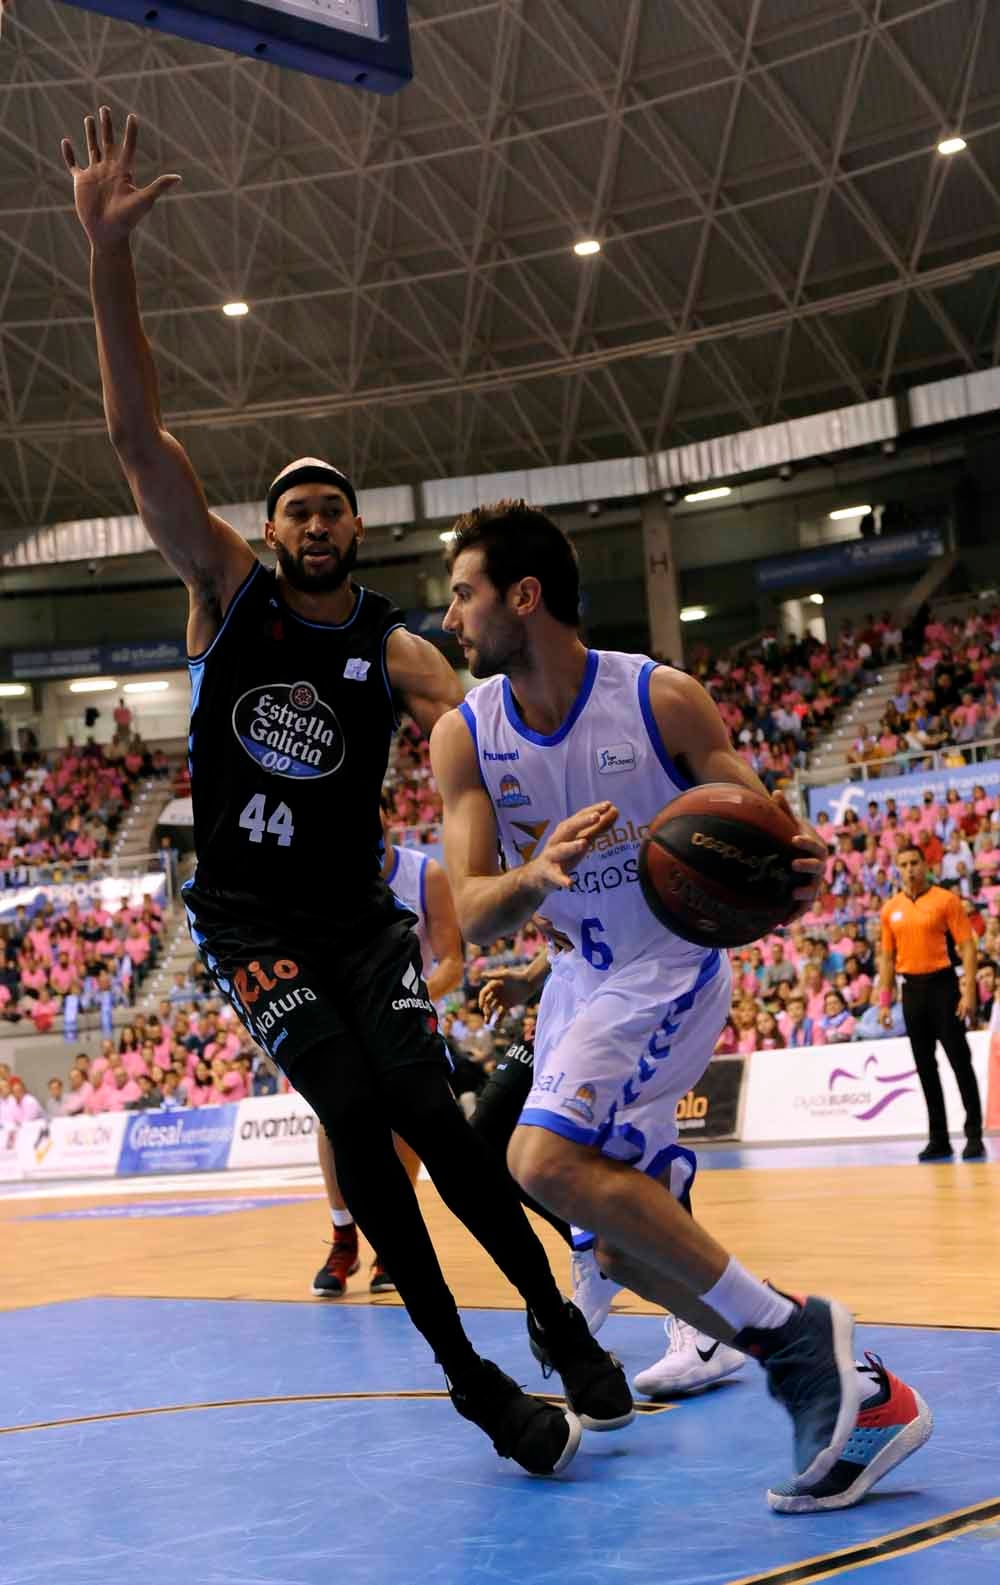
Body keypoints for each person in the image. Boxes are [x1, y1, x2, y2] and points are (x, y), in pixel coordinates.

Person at [64, 105, 631, 1479]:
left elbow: (485, 723)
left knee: (437, 1125)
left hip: (362, 918)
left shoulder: (398, 643)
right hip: (252, 924)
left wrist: (535, 836)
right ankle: (473, 1383)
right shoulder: (225, 591)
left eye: (336, 508)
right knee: (363, 1131)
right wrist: (106, 258)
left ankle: (552, 1317)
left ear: (360, 530)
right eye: (294, 510)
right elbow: (140, 437)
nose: (316, 523)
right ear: (267, 533)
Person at [430, 499, 886, 1500]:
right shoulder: (463, 739)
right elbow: (472, 910)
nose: (450, 617)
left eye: (463, 593)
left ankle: (800, 1344)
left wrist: (797, 859)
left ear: (525, 594)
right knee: (627, 1253)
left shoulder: (659, 699)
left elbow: (767, 829)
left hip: (670, 969)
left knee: (536, 1156)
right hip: (580, 990)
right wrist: (533, 876)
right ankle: (851, 1383)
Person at [476, 939, 931, 1513]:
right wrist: (538, 965)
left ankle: (822, 1364)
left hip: (644, 974)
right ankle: (861, 1390)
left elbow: (488, 906)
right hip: (581, 980)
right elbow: (543, 906)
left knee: (560, 1175)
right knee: (613, 1243)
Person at [312, 799, 465, 1298]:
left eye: (374, 830)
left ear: (387, 822)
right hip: (346, 1019)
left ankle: (391, 1246)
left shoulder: (426, 874)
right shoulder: (322, 877)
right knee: (330, 1119)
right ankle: (343, 1237)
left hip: (403, 1017)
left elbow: (451, 963)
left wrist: (411, 996)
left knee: (408, 1125)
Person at [878, 843, 986, 1161]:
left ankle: (974, 1135)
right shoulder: (890, 910)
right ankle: (938, 1138)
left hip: (943, 987)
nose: (909, 869)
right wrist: (885, 1001)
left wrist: (968, 992)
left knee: (959, 1062)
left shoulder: (946, 900)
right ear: (898, 868)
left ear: (925, 865)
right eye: (903, 864)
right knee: (926, 1068)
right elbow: (886, 958)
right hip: (911, 991)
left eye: (914, 862)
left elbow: (967, 947)